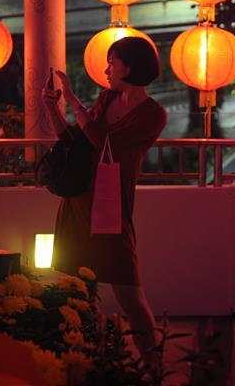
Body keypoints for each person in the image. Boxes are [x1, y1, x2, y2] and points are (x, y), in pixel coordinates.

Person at [41, 37, 167, 361]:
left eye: (112, 62)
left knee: (130, 295)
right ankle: (93, 361)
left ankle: (152, 368)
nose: (107, 69)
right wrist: (52, 107)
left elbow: (101, 138)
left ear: (129, 66)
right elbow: (77, 141)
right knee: (77, 292)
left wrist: (70, 97)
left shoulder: (153, 115)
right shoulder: (106, 97)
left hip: (111, 209)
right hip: (78, 204)